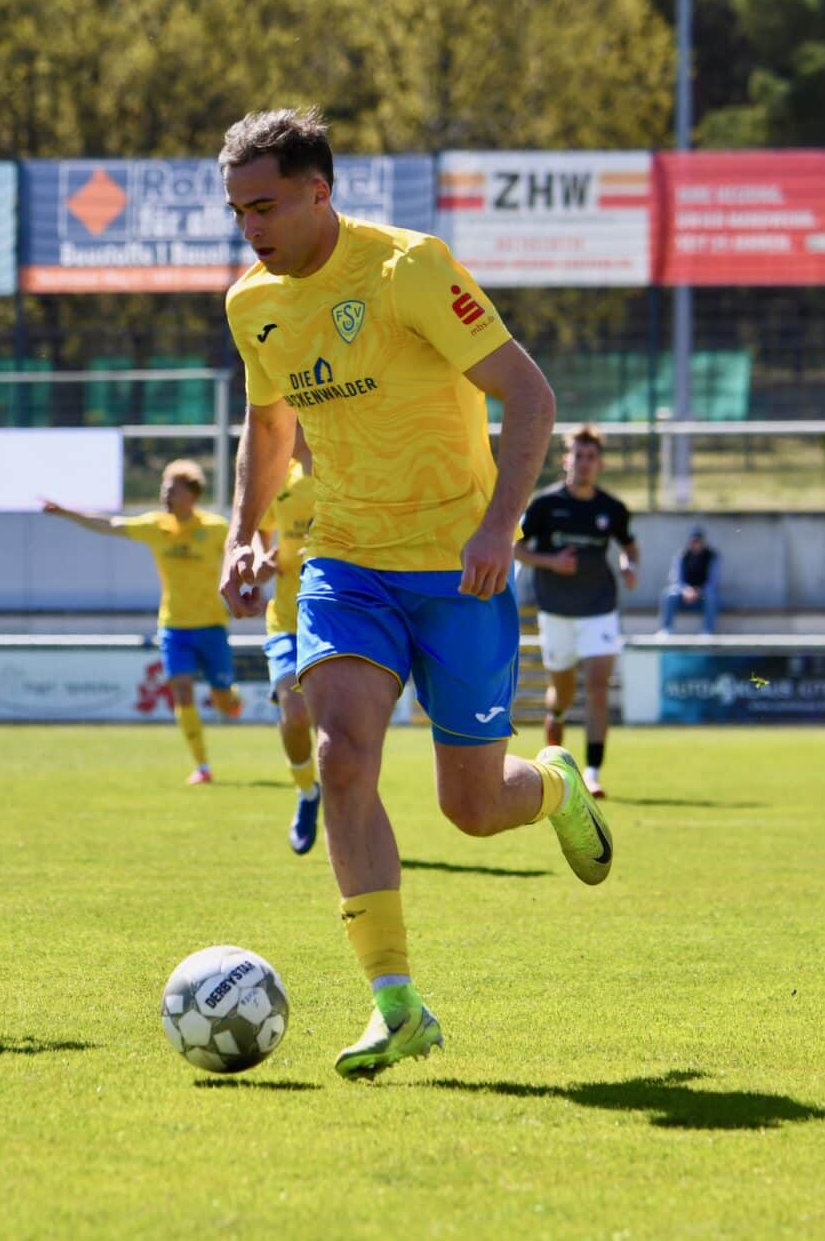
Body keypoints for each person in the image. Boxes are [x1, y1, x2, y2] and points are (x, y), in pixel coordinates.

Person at [215, 106, 612, 1081]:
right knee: (340, 754)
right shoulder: (249, 304)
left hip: (458, 565)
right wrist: (240, 533)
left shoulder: (409, 270)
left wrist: (496, 527)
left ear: (319, 192)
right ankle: (394, 1003)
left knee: (471, 810)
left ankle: (552, 782)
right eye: (237, 211)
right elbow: (268, 432)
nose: (251, 228)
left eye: (264, 205)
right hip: (345, 562)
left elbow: (529, 396)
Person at [45, 460, 243, 783]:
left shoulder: (215, 528)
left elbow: (244, 547)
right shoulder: (156, 526)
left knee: (225, 704)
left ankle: (229, 694)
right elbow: (109, 523)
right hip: (174, 626)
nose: (165, 494)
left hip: (211, 625)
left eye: (172, 489)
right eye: (163, 487)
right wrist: (67, 512)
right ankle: (202, 766)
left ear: (191, 494)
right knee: (180, 689)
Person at [516, 426, 638, 799]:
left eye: (591, 457)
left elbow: (629, 547)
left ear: (599, 463)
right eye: (578, 456)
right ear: (566, 460)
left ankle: (593, 773)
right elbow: (516, 549)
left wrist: (629, 565)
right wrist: (551, 560)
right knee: (563, 694)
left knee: (598, 689)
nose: (584, 464)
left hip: (599, 609)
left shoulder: (611, 509)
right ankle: (556, 739)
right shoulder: (545, 505)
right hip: (556, 611)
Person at [250, 430, 322, 852]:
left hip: (340, 619)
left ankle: (354, 811)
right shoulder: (281, 481)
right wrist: (261, 559)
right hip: (287, 619)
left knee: (342, 729)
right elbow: (261, 530)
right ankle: (308, 791)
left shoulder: (348, 475)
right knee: (294, 714)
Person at [657, 527, 721, 636]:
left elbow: (713, 582)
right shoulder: (682, 555)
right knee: (668, 595)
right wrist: (686, 590)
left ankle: (707, 631)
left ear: (703, 542)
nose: (696, 544)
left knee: (712, 596)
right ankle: (666, 630)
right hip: (684, 597)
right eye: (693, 541)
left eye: (698, 541)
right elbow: (676, 579)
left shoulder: (712, 557)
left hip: (702, 596)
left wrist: (698, 591)